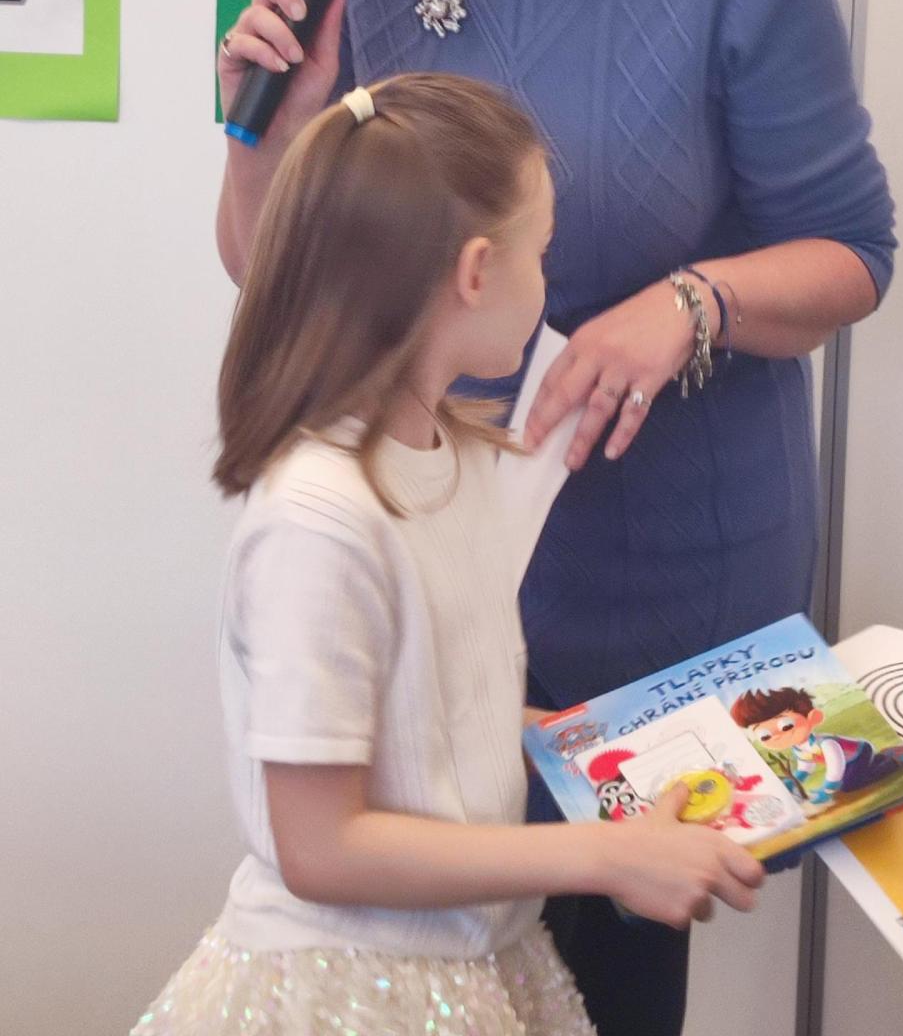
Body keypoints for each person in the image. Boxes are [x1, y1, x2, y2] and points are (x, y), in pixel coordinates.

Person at [216, 0, 895, 1036]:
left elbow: (854, 252)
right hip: (424, 566)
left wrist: (690, 305)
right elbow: (281, 282)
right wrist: (272, 129)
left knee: (601, 980)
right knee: (411, 965)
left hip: (652, 570)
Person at [133, 73, 762, 1036]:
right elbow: (321, 846)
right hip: (349, 995)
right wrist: (602, 859)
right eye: (540, 253)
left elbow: (427, 708)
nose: (547, 284)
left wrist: (589, 743)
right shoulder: (319, 521)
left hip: (472, 960)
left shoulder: (451, 457)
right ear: (475, 272)